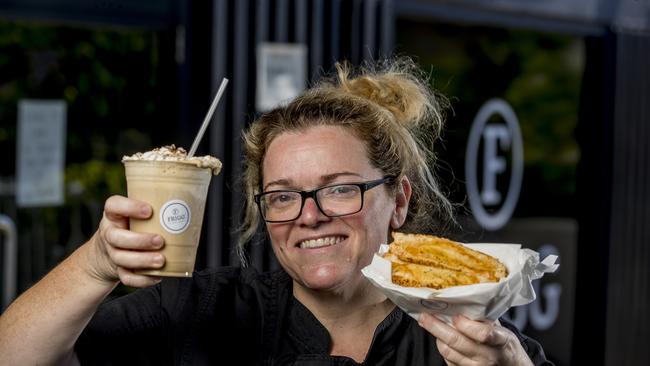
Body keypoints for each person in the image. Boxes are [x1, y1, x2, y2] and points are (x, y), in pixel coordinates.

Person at [0, 58, 552, 365]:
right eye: (283, 196)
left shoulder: (474, 346)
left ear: (399, 201)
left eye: (338, 189)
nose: (308, 216)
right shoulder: (200, 311)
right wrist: (96, 263)